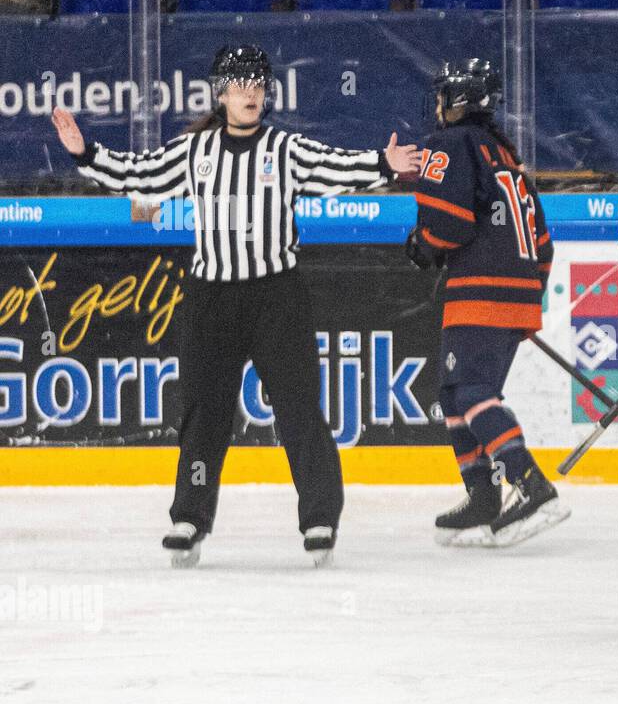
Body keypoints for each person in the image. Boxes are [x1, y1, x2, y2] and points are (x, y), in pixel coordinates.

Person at [52, 44, 419, 567]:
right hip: (212, 300)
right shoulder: (194, 152)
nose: (250, 92)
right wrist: (86, 153)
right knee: (204, 413)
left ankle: (319, 518)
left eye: (258, 83)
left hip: (277, 297)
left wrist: (383, 163)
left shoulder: (285, 150)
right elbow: (141, 175)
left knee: (298, 410)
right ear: (220, 93)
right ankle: (189, 518)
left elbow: (335, 167)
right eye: (239, 83)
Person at [404, 58, 569, 548]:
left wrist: (422, 244)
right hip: (514, 290)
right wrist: (526, 298)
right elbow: (543, 242)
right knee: (457, 395)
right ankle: (483, 498)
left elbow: (450, 224)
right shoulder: (505, 156)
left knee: (471, 391)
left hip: (480, 289)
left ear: (453, 102)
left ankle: (531, 485)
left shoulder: (449, 145)